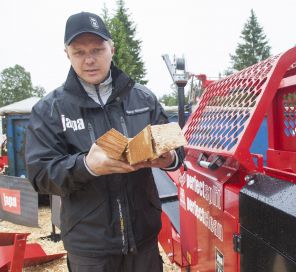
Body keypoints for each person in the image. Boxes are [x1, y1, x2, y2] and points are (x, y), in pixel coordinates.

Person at [25, 11, 182, 272]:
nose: (89, 60)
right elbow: (40, 174)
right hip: (90, 249)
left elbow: (177, 150)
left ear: (112, 49)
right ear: (67, 54)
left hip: (144, 241)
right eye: (79, 52)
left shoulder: (143, 99)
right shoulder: (50, 109)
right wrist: (86, 166)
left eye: (98, 49)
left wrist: (169, 158)